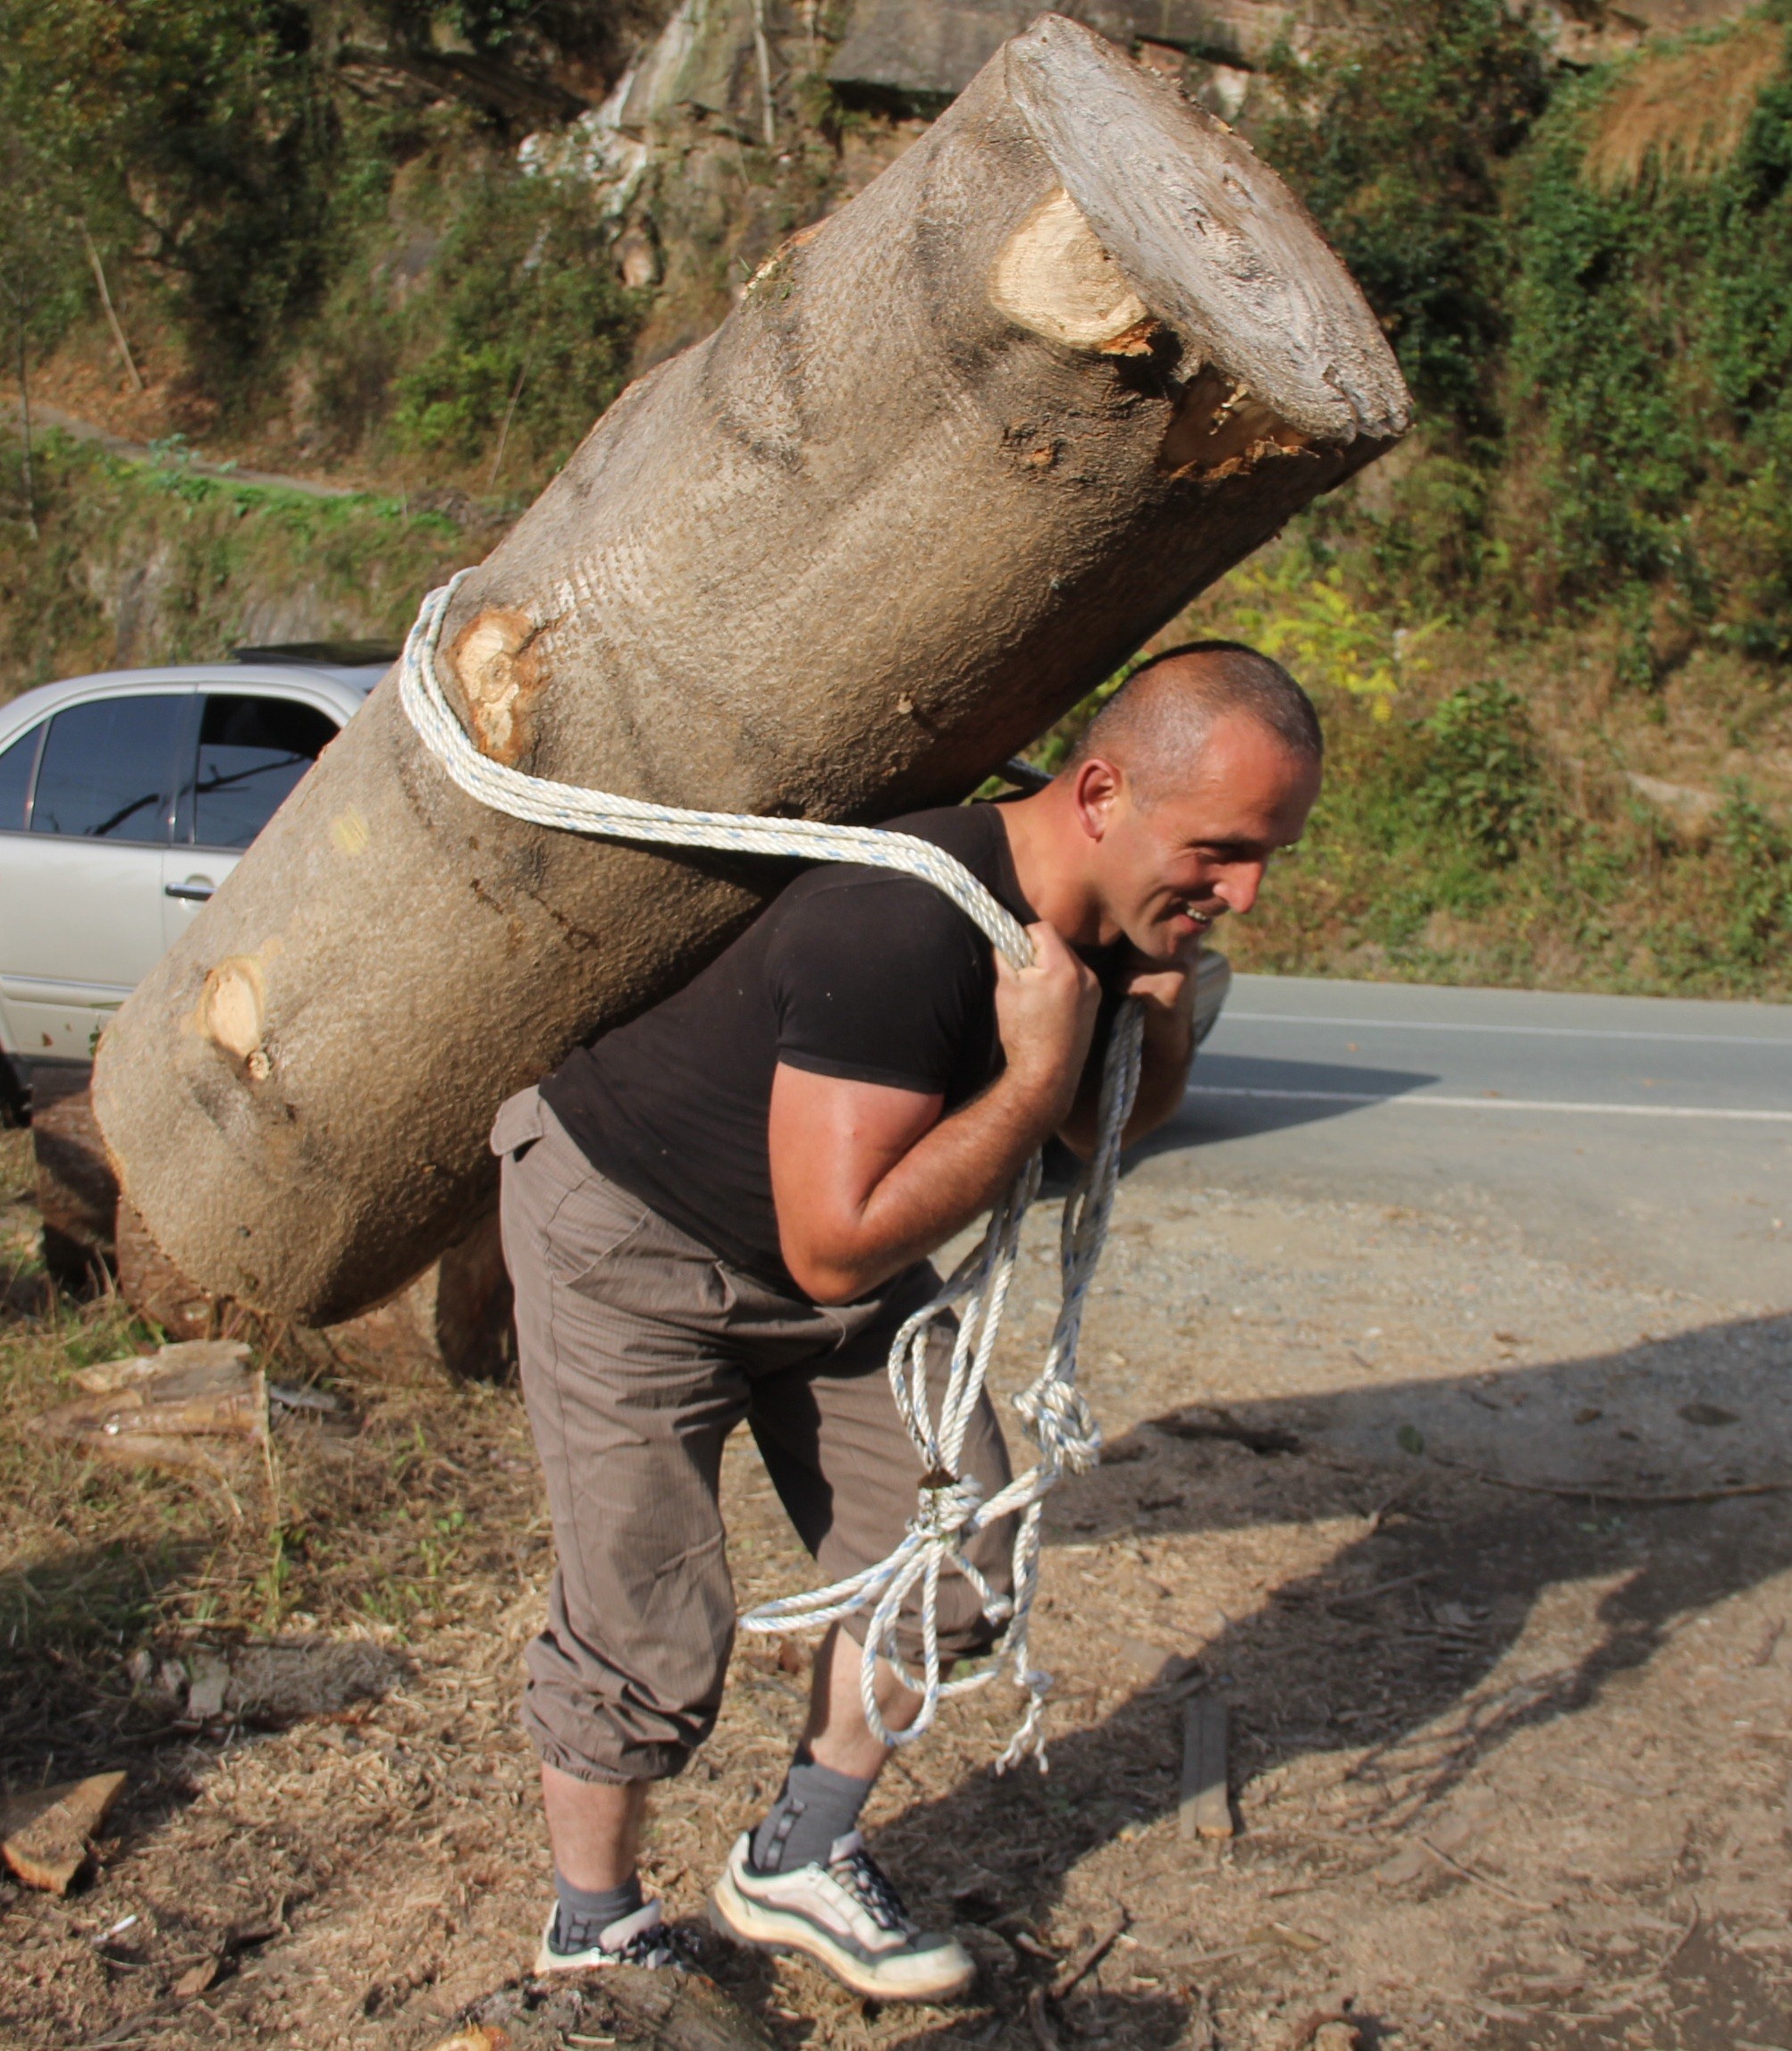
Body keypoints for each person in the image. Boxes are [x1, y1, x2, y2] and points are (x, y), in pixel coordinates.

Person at [492, 641, 1323, 1999]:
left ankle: (794, 1857)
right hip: (632, 1237)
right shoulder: (901, 925)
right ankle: (594, 1927)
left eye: (1268, 856)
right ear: (1101, 794)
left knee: (959, 1552)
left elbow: (1110, 1123)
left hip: (824, 1258)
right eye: (1223, 850)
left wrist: (1154, 1013)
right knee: (649, 1621)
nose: (1244, 893)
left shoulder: (1112, 917)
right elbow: (835, 1250)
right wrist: (1037, 1070)